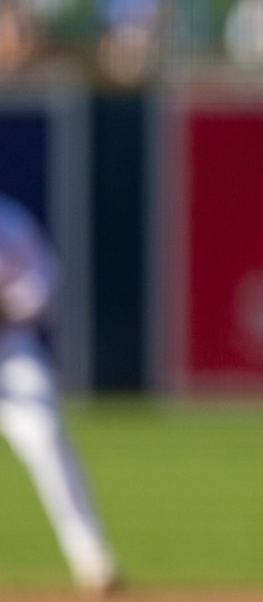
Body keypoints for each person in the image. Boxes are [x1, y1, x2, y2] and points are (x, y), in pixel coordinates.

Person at [0, 193, 120, 594]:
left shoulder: (8, 220)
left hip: (9, 350)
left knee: (46, 436)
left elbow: (42, 282)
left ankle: (90, 556)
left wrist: (7, 307)